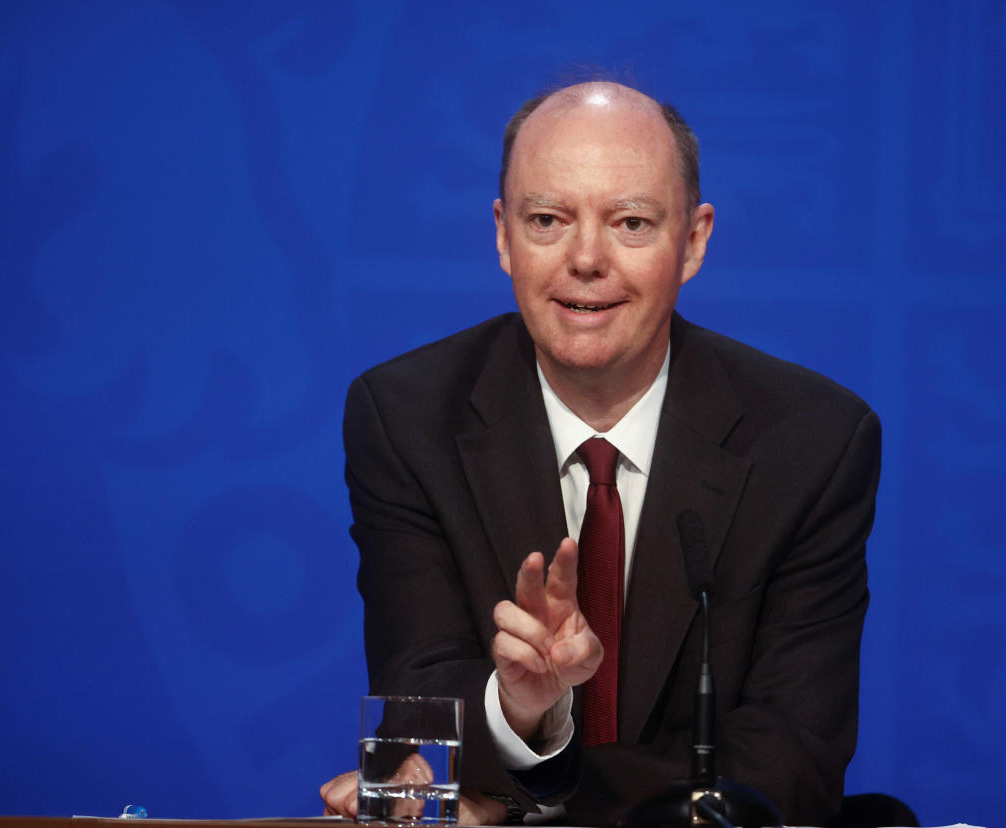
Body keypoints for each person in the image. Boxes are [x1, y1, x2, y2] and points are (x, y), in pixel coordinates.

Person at [320, 80, 880, 826]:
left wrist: (516, 802)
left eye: (631, 223)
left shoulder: (814, 442)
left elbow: (790, 759)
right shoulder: (407, 418)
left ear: (694, 241)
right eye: (548, 219)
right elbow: (419, 702)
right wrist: (521, 708)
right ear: (502, 236)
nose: (586, 259)